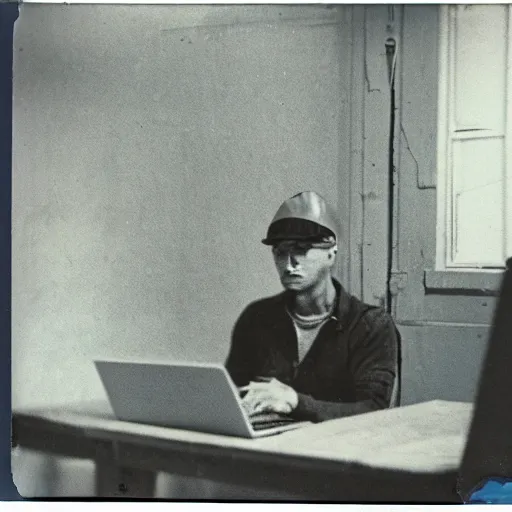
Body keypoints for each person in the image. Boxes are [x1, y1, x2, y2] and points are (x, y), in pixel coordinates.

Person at [225, 191, 400, 423]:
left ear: (331, 251)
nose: (289, 264)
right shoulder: (256, 318)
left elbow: (374, 410)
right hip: (271, 449)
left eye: (300, 249)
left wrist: (296, 402)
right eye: (280, 252)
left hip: (340, 450)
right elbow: (233, 396)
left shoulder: (370, 325)